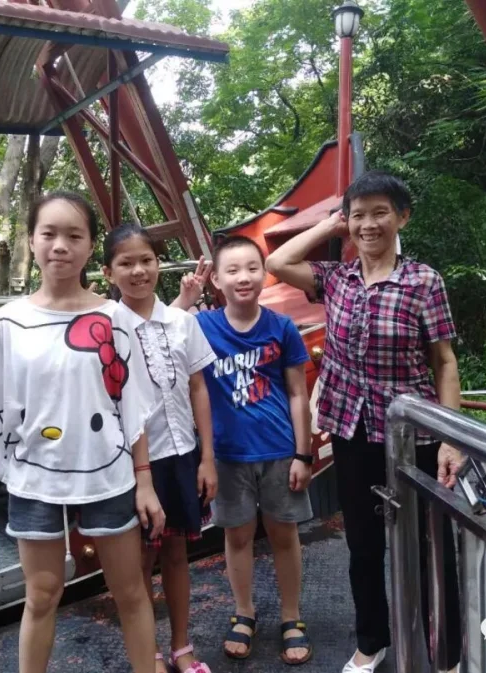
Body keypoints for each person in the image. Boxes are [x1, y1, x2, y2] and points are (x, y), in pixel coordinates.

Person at [0, 192, 166, 673]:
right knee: (41, 594)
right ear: (32, 240)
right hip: (35, 478)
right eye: (49, 233)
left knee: (130, 591)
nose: (60, 245)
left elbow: (132, 407)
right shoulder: (6, 324)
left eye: (74, 235)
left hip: (109, 475)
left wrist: (145, 481)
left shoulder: (116, 319)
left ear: (90, 246)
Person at [265, 170, 465, 673]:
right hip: (352, 431)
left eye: (381, 213)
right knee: (363, 546)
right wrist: (332, 224)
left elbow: (444, 362)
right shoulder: (337, 279)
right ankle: (371, 642)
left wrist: (451, 438)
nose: (369, 224)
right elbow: (276, 262)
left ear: (403, 217)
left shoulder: (423, 281)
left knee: (431, 545)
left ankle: (446, 651)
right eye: (359, 215)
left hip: (412, 434)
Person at [101, 224, 218, 673]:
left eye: (146, 260)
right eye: (126, 263)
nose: (138, 271)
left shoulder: (182, 322)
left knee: (176, 553)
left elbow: (198, 388)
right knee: (139, 560)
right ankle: (146, 650)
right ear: (108, 272)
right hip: (134, 465)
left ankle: (182, 646)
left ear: (158, 264)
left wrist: (207, 458)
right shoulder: (107, 329)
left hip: (182, 453)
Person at [194, 235, 315, 666]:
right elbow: (153, 330)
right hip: (228, 455)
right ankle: (244, 611)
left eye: (251, 268)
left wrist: (304, 454)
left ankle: (291, 616)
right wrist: (185, 296)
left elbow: (298, 393)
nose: (243, 277)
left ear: (264, 274)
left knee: (284, 534)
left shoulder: (281, 327)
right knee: (238, 536)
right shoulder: (202, 327)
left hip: (280, 450)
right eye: (232, 270)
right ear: (217, 280)